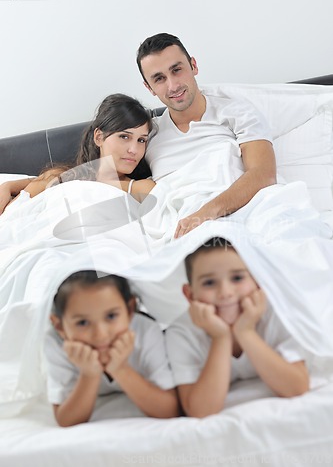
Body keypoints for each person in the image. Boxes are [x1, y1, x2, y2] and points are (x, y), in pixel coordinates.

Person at [136, 33, 277, 238]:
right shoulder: (148, 135)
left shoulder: (236, 112)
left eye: (177, 70)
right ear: (149, 88)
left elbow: (264, 174)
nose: (173, 86)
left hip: (247, 215)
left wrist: (205, 214)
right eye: (159, 79)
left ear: (193, 65)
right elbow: (111, 173)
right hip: (184, 231)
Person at [165, 237, 309, 418]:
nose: (225, 293)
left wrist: (245, 332)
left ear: (257, 281)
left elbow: (297, 387)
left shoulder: (276, 312)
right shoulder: (181, 332)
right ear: (189, 294)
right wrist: (221, 337)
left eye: (237, 278)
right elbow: (201, 411)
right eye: (209, 283)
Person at [44, 270, 179, 427]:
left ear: (130, 310)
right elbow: (66, 420)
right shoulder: (56, 343)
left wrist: (120, 369)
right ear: (59, 325)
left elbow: (169, 411)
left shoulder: (146, 331)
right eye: (82, 323)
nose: (100, 335)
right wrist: (89, 374)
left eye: (111, 316)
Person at [0, 94, 156, 214]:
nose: (134, 150)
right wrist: (8, 186)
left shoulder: (140, 187)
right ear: (99, 137)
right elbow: (13, 219)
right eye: (124, 136)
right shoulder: (58, 178)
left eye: (141, 140)